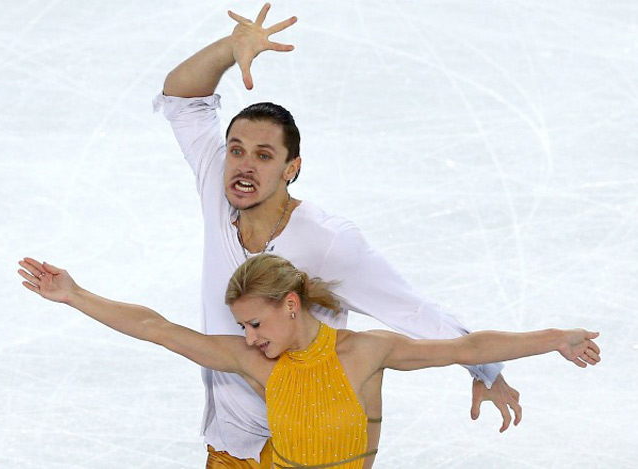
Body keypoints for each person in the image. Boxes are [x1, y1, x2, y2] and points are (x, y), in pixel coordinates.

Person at [153, 3, 525, 466]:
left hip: (309, 442)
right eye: (236, 150)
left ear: (293, 168)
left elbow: (408, 307)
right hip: (231, 443)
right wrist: (231, 49)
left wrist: (485, 370)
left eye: (264, 155)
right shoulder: (216, 179)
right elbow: (182, 98)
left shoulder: (328, 241)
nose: (244, 164)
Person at [17, 255, 600, 469]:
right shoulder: (256, 362)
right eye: (243, 326)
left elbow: (469, 348)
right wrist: (75, 294)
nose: (246, 337)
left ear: (290, 306)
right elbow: (156, 329)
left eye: (254, 322)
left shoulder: (366, 353)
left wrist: (557, 337)